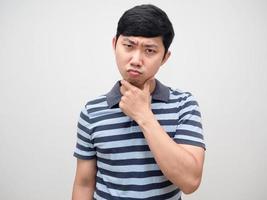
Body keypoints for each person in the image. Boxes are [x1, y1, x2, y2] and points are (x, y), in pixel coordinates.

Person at [72, 4, 205, 200]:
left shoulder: (184, 104)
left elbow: (190, 182)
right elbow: (83, 185)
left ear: (165, 57)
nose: (136, 59)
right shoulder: (92, 111)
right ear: (114, 44)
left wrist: (144, 116)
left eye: (149, 50)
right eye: (128, 46)